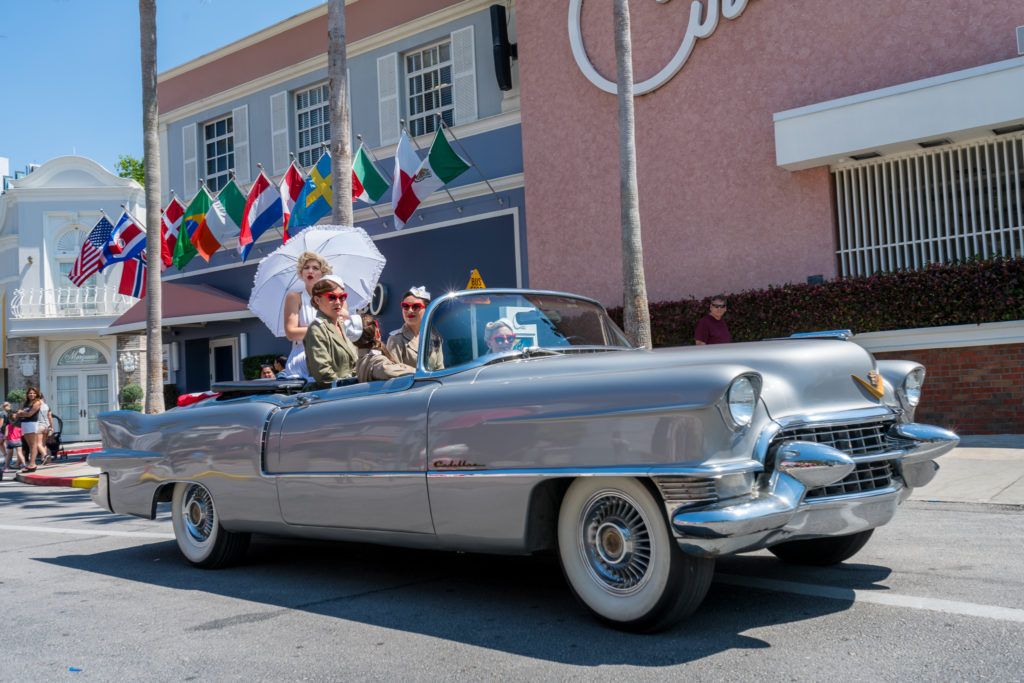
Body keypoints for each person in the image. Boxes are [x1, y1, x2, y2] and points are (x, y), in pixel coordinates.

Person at [282, 252, 362, 381]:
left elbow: (341, 328)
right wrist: (321, 331)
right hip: (304, 353)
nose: (310, 271)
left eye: (315, 268)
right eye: (306, 267)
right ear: (301, 272)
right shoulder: (294, 297)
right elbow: (291, 333)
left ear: (323, 273)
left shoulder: (337, 298)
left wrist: (346, 316)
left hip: (335, 350)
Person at [303, 275, 359, 389]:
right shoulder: (316, 328)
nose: (338, 302)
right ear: (317, 299)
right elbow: (324, 375)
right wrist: (349, 386)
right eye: (332, 297)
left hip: (352, 391)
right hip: (334, 396)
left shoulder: (343, 325)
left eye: (342, 297)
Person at [387, 286, 443, 370]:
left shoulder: (435, 336)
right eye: (405, 306)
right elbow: (394, 374)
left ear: (427, 309)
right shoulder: (395, 339)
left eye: (416, 306)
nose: (410, 310)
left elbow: (440, 369)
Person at [353, 314, 415, 382]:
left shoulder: (363, 360)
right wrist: (418, 372)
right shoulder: (375, 362)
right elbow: (386, 370)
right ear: (377, 333)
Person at [15, 387, 43, 472]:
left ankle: (32, 464)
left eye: (34, 393)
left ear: (37, 394)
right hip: (25, 424)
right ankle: (31, 464)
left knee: (33, 445)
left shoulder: (37, 402)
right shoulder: (26, 403)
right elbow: (19, 413)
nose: (32, 395)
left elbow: (30, 414)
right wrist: (21, 413)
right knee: (29, 445)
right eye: (30, 393)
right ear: (27, 394)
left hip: (32, 424)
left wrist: (21, 413)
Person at [2, 402, 23, 470]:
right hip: (18, 441)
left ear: (9, 420)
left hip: (11, 441)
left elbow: (5, 435)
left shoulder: (8, 426)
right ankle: (24, 465)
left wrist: (5, 438)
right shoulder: (19, 427)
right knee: (20, 453)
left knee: (9, 455)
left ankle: (5, 467)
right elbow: (22, 434)